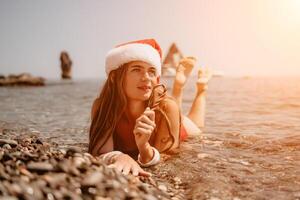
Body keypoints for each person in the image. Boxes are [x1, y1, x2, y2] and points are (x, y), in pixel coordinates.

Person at [88, 39, 211, 177]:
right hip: (163, 110)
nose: (146, 77)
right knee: (173, 107)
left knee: (197, 127)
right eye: (136, 69)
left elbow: (167, 157)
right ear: (114, 77)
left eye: (152, 71)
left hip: (173, 125)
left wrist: (144, 148)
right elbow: (99, 151)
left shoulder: (167, 107)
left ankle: (201, 89)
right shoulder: (103, 106)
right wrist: (119, 157)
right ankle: (178, 87)